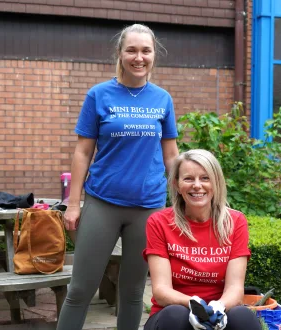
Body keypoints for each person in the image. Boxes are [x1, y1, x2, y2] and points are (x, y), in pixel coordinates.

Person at [56, 23, 179, 330]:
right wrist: (73, 204)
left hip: (148, 207)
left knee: (134, 291)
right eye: (132, 50)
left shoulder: (162, 99)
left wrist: (179, 205)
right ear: (120, 53)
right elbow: (83, 152)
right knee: (81, 288)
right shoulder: (99, 95)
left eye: (146, 51)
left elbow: (171, 157)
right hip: (103, 203)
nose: (139, 57)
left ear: (154, 55)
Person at [143, 149, 262, 330]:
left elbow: (235, 290)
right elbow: (161, 291)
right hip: (172, 313)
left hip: (219, 313)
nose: (197, 185)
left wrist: (218, 308)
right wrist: (194, 304)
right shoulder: (159, 222)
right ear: (176, 184)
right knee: (176, 315)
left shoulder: (235, 222)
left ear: (216, 183)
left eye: (205, 178)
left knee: (243, 317)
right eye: (188, 179)